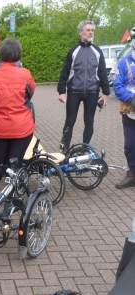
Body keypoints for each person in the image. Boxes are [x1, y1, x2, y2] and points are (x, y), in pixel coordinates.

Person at [0, 38, 36, 203]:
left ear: (1, 54)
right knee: (15, 164)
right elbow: (29, 94)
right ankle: (11, 198)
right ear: (18, 54)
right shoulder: (25, 74)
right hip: (22, 128)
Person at [57, 20, 110, 152]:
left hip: (92, 92)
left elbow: (103, 73)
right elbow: (65, 72)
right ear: (80, 32)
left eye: (92, 30)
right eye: (88, 30)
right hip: (74, 91)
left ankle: (85, 149)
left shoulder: (97, 51)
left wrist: (105, 93)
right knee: (70, 121)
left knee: (89, 121)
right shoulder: (73, 51)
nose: (91, 32)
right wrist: (61, 91)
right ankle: (65, 148)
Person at [113, 27, 135, 189]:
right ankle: (132, 174)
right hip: (130, 110)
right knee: (129, 146)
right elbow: (117, 85)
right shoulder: (124, 62)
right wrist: (131, 98)